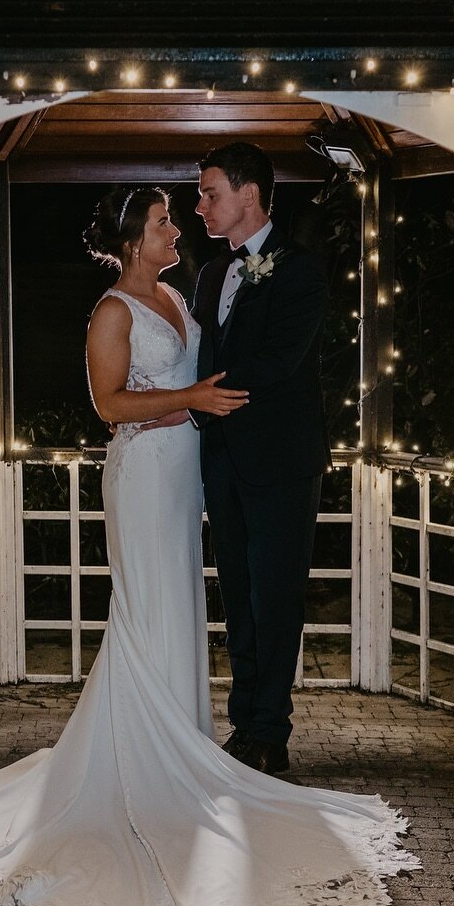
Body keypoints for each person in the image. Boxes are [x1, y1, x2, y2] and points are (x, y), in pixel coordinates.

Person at [0, 186, 418, 906]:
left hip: (187, 476)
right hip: (146, 475)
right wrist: (188, 397)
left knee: (180, 608)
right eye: (160, 222)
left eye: (177, 217)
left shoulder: (178, 294)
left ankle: (180, 739)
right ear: (129, 239)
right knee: (147, 611)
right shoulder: (111, 310)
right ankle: (144, 766)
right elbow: (108, 403)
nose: (175, 227)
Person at [191, 142, 330, 776]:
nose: (201, 207)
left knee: (276, 598)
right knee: (239, 597)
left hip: (279, 459)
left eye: (210, 193)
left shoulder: (299, 269)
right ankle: (244, 723)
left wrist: (205, 393)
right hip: (222, 459)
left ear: (250, 194)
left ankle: (271, 732)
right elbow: (202, 350)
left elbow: (281, 360)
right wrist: (186, 401)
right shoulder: (213, 273)